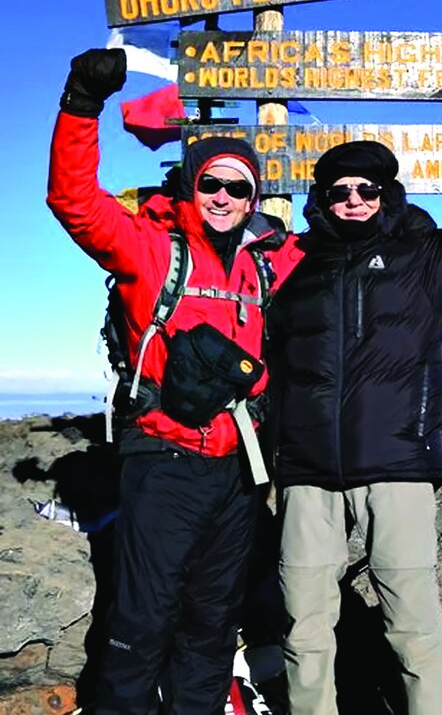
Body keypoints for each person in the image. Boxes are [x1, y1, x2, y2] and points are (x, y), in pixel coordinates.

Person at [266, 91, 442, 715]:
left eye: (367, 190)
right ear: (322, 199)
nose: (353, 200)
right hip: (305, 478)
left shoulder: (427, 259)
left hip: (397, 471)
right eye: (341, 190)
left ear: (386, 196)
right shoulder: (291, 269)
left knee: (415, 631)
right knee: (303, 634)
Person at [47, 48, 292, 715]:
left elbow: (351, 252)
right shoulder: (151, 247)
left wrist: (391, 214)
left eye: (239, 188)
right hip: (164, 460)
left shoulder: (267, 267)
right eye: (211, 183)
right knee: (142, 620)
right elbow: (72, 200)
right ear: (190, 185)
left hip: (240, 472)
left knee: (214, 624)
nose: (223, 198)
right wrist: (81, 103)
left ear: (254, 198)